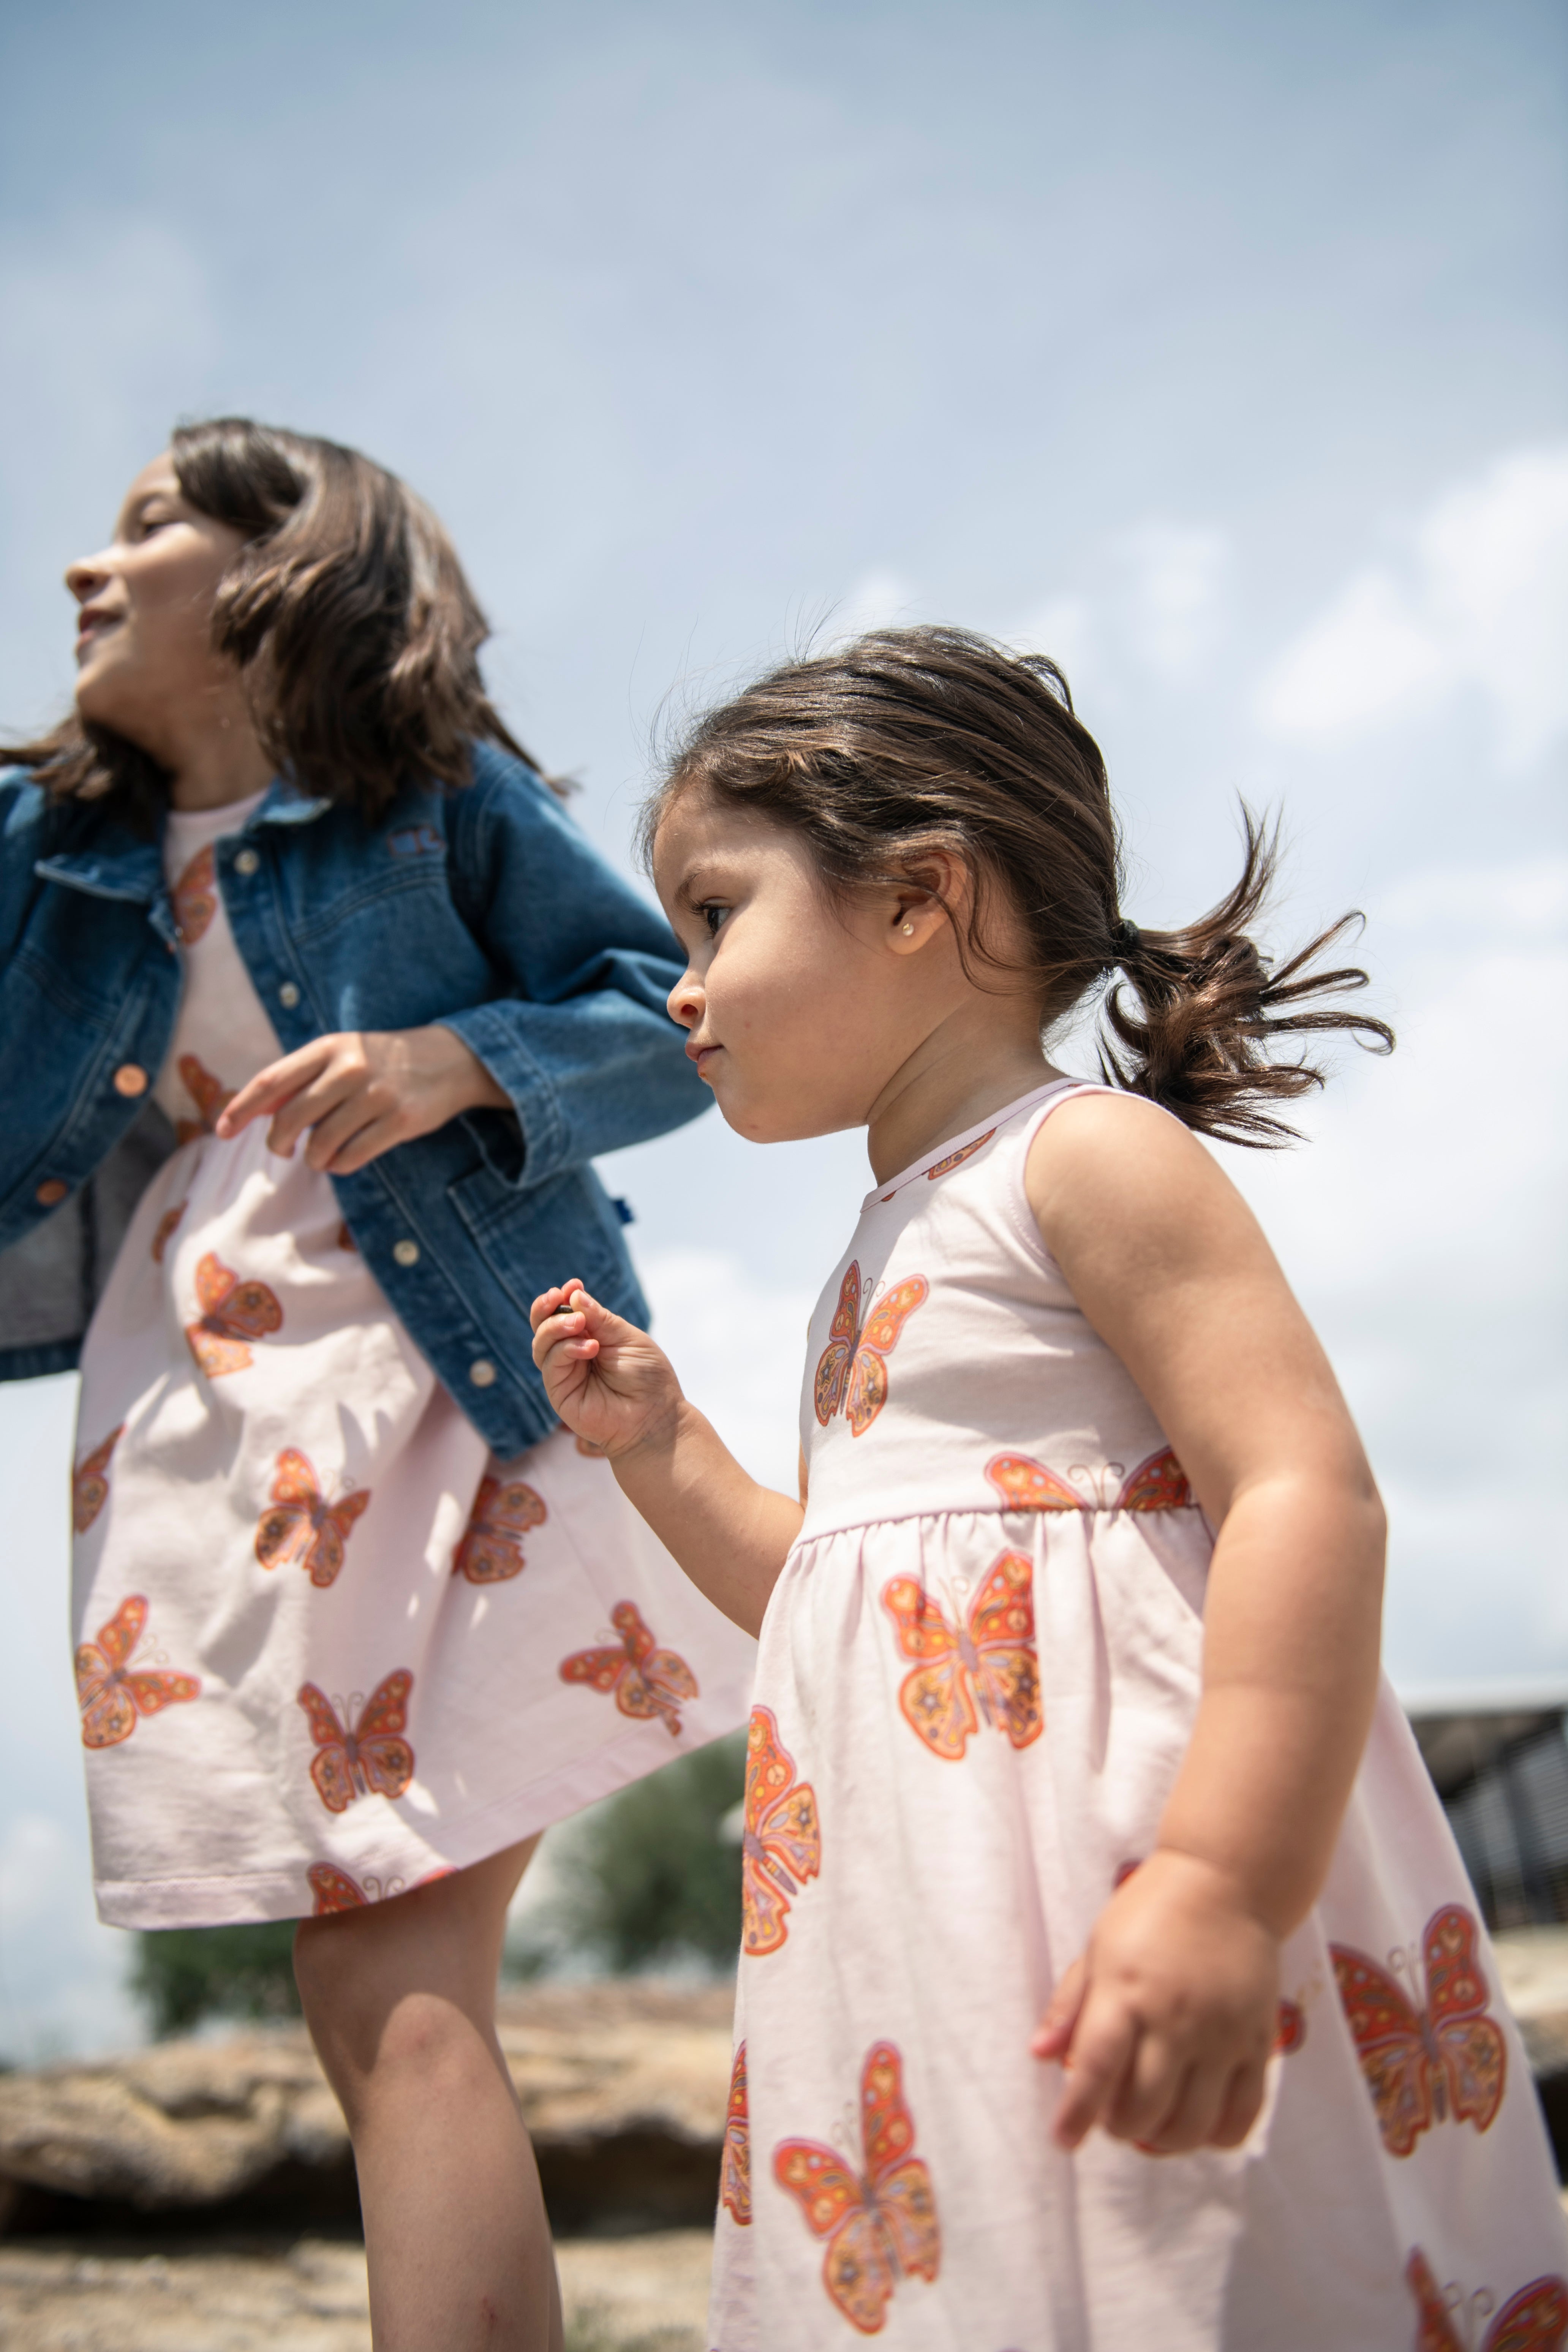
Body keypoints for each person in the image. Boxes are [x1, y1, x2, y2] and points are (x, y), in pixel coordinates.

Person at [530, 626, 1568, 2350]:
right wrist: (664, 1450)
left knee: (1204, 2261)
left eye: (716, 914)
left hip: (1134, 1868)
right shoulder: (870, 1251)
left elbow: (1304, 1491)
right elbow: (842, 1597)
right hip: (931, 1920)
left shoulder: (1081, 1157)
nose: (679, 985)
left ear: (920, 896)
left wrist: (1225, 1886)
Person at [0, 418, 756, 2352]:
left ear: (282, 574)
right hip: (212, 1453)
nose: (88, 573)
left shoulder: (434, 795)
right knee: (377, 2004)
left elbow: (678, 1022)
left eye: (145, 527)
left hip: (475, 1390)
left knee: (389, 1996)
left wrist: (454, 1061)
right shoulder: (44, 855)